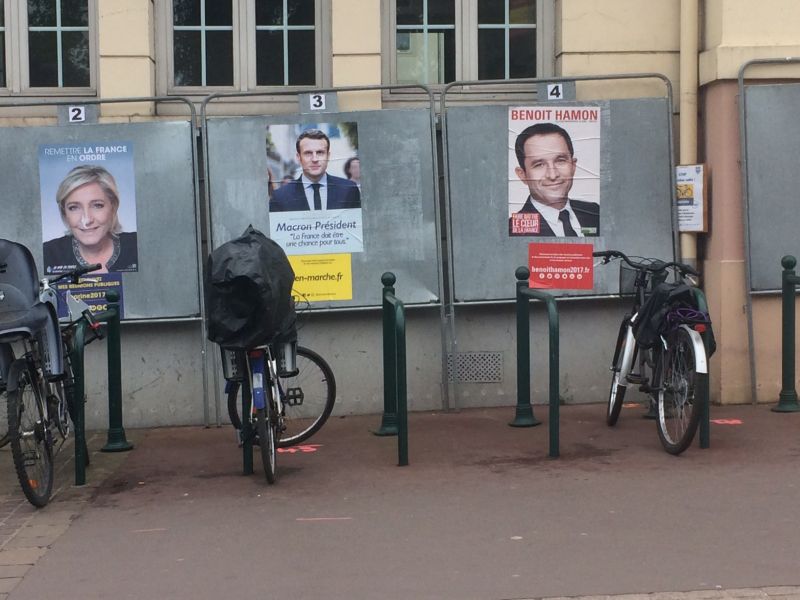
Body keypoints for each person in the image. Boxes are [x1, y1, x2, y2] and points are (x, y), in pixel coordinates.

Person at [43, 164, 138, 274]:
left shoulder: (138, 245)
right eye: (74, 207)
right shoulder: (47, 253)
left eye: (97, 205)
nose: (86, 220)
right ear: (65, 213)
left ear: (113, 207)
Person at [509, 122, 599, 237]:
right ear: (523, 175)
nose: (552, 175)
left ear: (573, 166)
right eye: (539, 164)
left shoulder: (595, 213)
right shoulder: (511, 231)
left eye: (560, 160)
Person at [269, 129, 361, 212]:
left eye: (320, 153)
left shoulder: (349, 190)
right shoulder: (280, 196)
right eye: (308, 153)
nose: (315, 159)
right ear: (298, 157)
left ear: (328, 156)